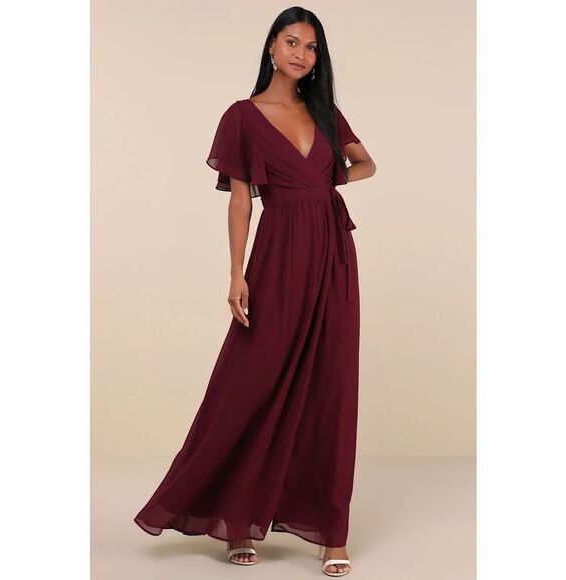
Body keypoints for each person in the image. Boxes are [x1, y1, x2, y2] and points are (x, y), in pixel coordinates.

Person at [133, 6, 376, 577]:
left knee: (333, 387)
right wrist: (236, 272)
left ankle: (332, 533)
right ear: (271, 46)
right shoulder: (242, 117)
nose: (301, 54)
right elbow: (241, 199)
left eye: (311, 47)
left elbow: (365, 164)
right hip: (279, 254)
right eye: (291, 42)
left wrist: (326, 181)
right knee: (252, 381)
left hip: (334, 257)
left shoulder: (325, 112)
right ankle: (237, 518)